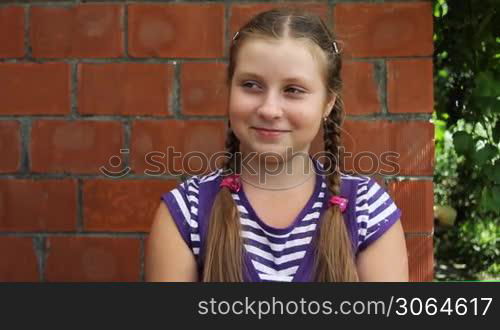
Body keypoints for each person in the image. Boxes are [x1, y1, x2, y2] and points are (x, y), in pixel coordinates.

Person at [145, 8, 408, 282]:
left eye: (293, 90)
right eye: (251, 84)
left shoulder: (366, 209)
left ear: (328, 103)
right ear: (230, 89)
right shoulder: (187, 212)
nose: (269, 109)